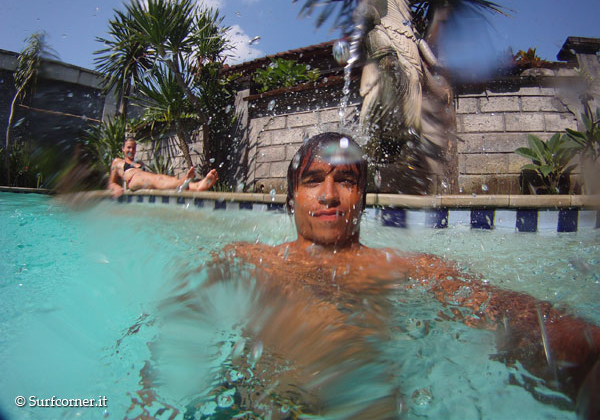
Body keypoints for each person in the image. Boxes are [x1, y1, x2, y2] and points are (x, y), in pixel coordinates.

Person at [222, 132, 599, 413]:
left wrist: (582, 347)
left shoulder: (410, 267)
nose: (329, 195)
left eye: (346, 181)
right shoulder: (246, 258)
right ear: (291, 196)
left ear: (363, 197)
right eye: (312, 180)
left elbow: (499, 308)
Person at [107, 138, 218, 198]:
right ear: (123, 149)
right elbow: (111, 183)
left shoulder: (139, 163)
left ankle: (197, 186)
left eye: (134, 148)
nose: (131, 150)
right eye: (128, 147)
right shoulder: (118, 162)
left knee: (161, 178)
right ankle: (183, 182)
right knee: (158, 179)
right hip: (133, 179)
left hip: (146, 182)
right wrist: (116, 187)